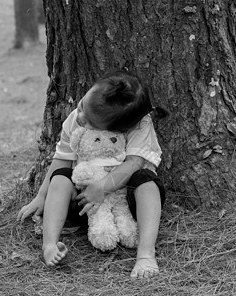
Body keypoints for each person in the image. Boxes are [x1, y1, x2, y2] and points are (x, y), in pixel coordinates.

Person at [17, 70, 168, 278]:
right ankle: (50, 244)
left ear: (120, 129)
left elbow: (134, 163)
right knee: (61, 176)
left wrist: (103, 188)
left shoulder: (140, 125)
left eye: (90, 122)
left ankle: (145, 254)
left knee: (147, 182)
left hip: (127, 204)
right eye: (81, 106)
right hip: (84, 204)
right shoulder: (76, 119)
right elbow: (62, 158)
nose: (80, 118)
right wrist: (41, 197)